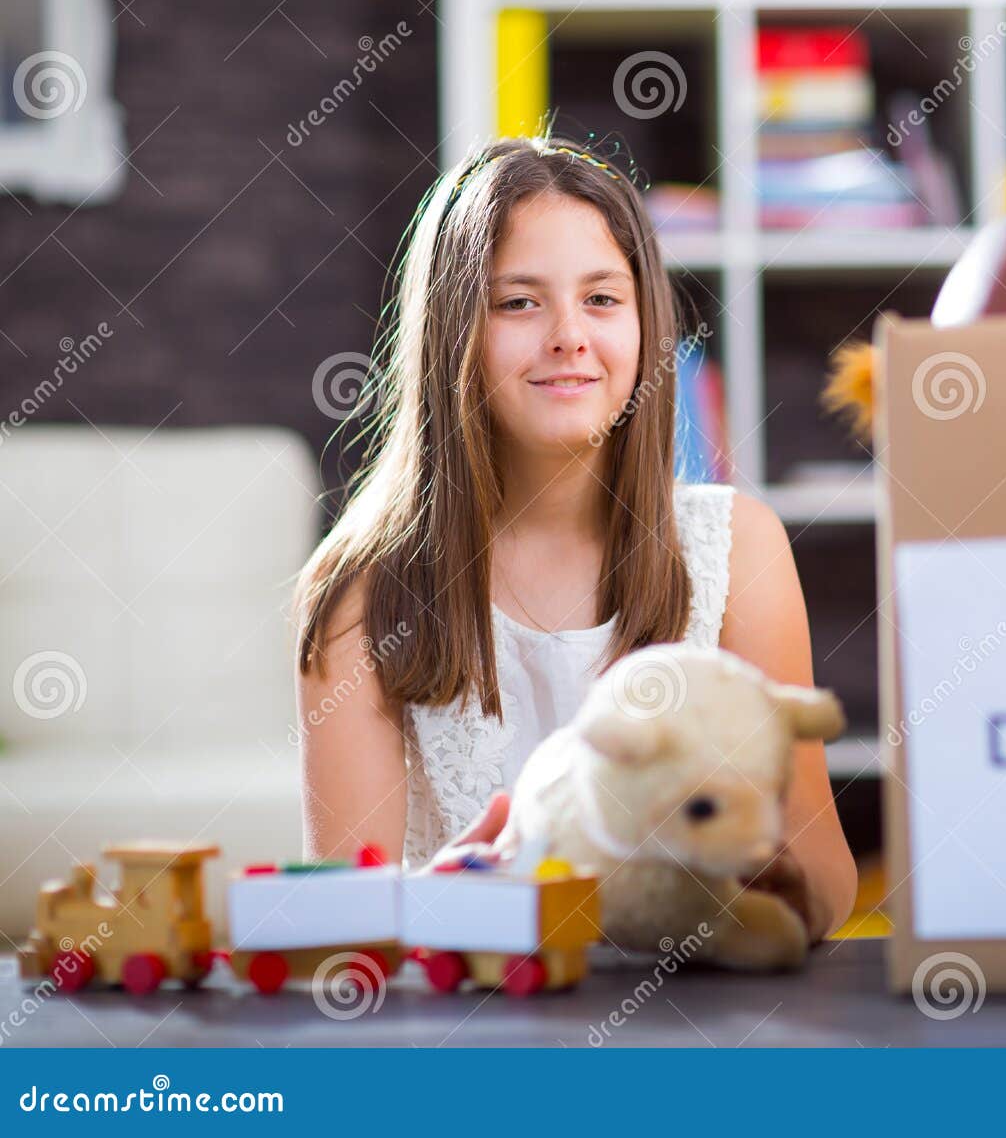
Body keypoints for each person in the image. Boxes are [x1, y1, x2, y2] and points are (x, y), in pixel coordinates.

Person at [292, 135, 856, 941]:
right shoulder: (359, 593)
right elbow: (339, 932)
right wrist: (444, 901)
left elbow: (828, 877)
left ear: (645, 322)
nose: (568, 335)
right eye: (518, 302)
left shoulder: (739, 545)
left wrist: (758, 879)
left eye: (601, 299)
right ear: (451, 332)